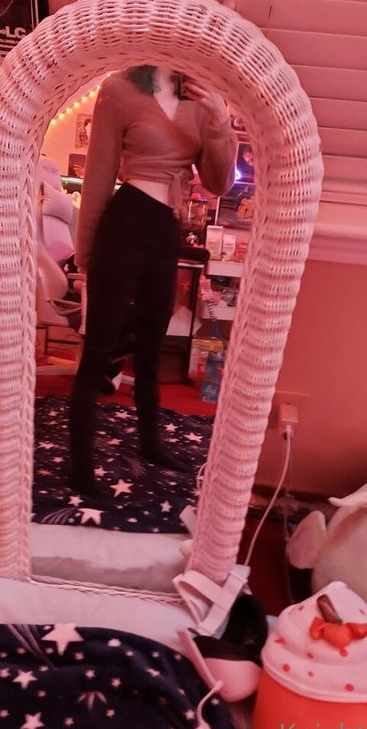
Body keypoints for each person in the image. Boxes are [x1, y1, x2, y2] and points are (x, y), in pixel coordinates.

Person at [69, 65, 237, 497]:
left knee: (150, 348)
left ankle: (150, 443)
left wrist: (221, 121)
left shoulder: (198, 98)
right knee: (99, 350)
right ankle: (80, 467)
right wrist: (85, 257)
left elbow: (218, 183)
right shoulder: (120, 90)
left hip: (165, 229)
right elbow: (98, 175)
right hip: (124, 224)